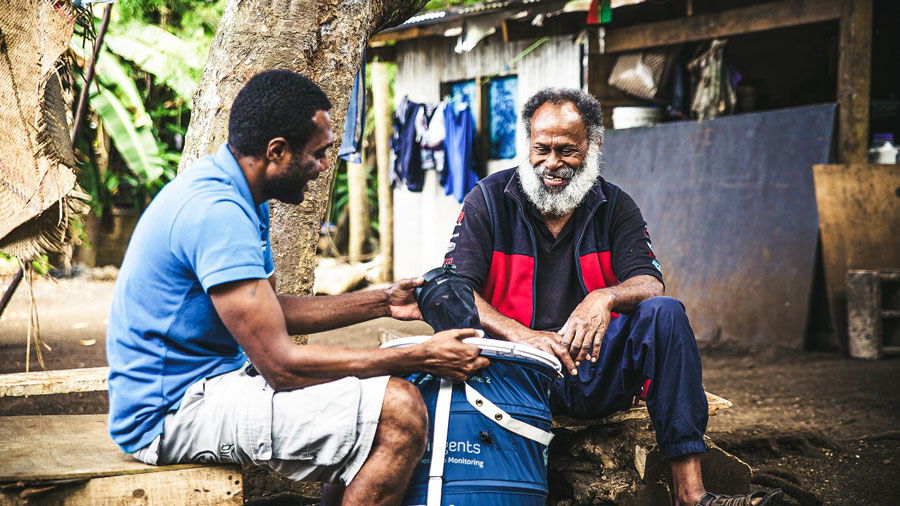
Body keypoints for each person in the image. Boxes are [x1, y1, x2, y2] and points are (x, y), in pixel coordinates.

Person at [106, 69, 489, 506]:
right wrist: (418, 354)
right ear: (277, 152)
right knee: (399, 411)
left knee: (387, 377)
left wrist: (382, 302)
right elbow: (282, 366)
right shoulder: (217, 212)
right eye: (319, 153)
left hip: (211, 384)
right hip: (170, 414)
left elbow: (270, 310)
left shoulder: (244, 195)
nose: (325, 165)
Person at [444, 88, 783, 506]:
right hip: (514, 373)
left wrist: (602, 298)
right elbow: (453, 291)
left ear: (593, 146)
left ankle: (691, 494)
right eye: (541, 149)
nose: (552, 163)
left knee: (665, 313)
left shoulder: (616, 205)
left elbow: (649, 282)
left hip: (593, 368)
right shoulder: (488, 201)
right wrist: (521, 335)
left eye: (567, 151)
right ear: (527, 145)